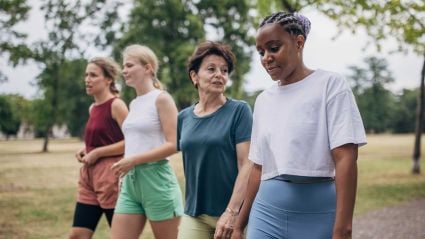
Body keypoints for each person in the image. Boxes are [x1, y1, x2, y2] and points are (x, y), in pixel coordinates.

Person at [231, 12, 367, 239]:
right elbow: (258, 167)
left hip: (318, 212)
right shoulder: (264, 100)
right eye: (261, 52)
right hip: (266, 212)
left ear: (299, 42)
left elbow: (345, 158)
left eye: (274, 48)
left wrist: (343, 229)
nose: (266, 58)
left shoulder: (330, 85)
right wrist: (238, 225)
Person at [177, 41, 253, 239]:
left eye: (224, 70)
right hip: (195, 213)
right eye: (211, 69)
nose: (219, 74)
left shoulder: (239, 111)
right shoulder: (184, 117)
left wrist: (232, 212)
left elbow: (247, 164)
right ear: (194, 76)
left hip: (234, 214)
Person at [110, 44, 183, 239]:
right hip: (130, 183)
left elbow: (175, 144)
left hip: (157, 180)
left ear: (148, 68)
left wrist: (133, 160)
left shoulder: (162, 99)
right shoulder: (133, 103)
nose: (124, 70)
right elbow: (135, 142)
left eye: (129, 65)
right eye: (123, 66)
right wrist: (127, 169)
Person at [69, 57, 128, 239]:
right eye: (86, 75)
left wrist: (98, 152)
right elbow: (100, 140)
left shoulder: (116, 105)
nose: (87, 79)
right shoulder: (93, 107)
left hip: (111, 178)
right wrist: (86, 149)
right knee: (77, 235)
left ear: (108, 80)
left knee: (121, 236)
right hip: (89, 179)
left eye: (93, 75)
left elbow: (132, 142)